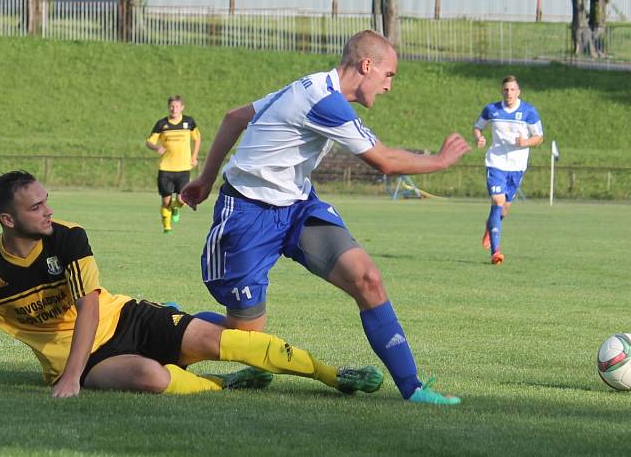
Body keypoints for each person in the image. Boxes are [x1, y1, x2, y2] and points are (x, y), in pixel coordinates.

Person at [0, 171, 383, 398]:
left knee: (224, 339)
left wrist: (71, 381)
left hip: (125, 317)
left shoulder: (69, 239)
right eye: (36, 208)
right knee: (150, 379)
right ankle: (220, 384)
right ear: (8, 221)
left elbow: (91, 309)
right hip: (89, 359)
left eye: (47, 200)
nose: (49, 211)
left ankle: (334, 375)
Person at [181, 30, 470, 405]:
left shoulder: (314, 85)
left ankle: (413, 389)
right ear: (367, 66)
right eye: (389, 75)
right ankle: (170, 323)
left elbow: (235, 116)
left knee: (367, 278)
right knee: (244, 336)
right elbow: (384, 161)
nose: (388, 86)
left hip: (298, 207)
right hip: (248, 213)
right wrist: (441, 161)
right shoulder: (322, 99)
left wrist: (205, 179)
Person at [473, 75, 543, 265]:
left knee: (504, 209)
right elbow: (478, 127)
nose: (509, 93)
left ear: (518, 92)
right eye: (506, 90)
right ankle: (496, 252)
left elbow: (539, 137)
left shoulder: (529, 111)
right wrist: (479, 137)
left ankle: (491, 226)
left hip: (517, 166)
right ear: (502, 91)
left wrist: (526, 142)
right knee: (497, 201)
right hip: (496, 163)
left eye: (513, 90)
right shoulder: (492, 109)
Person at [146, 95, 201, 233]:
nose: (174, 109)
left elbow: (197, 139)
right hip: (166, 168)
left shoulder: (189, 122)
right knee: (165, 202)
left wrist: (194, 157)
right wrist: (157, 147)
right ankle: (167, 227)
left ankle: (176, 208)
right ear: (168, 107)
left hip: (183, 168)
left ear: (182, 107)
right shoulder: (161, 124)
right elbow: (149, 141)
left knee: (182, 199)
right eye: (171, 106)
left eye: (177, 106)